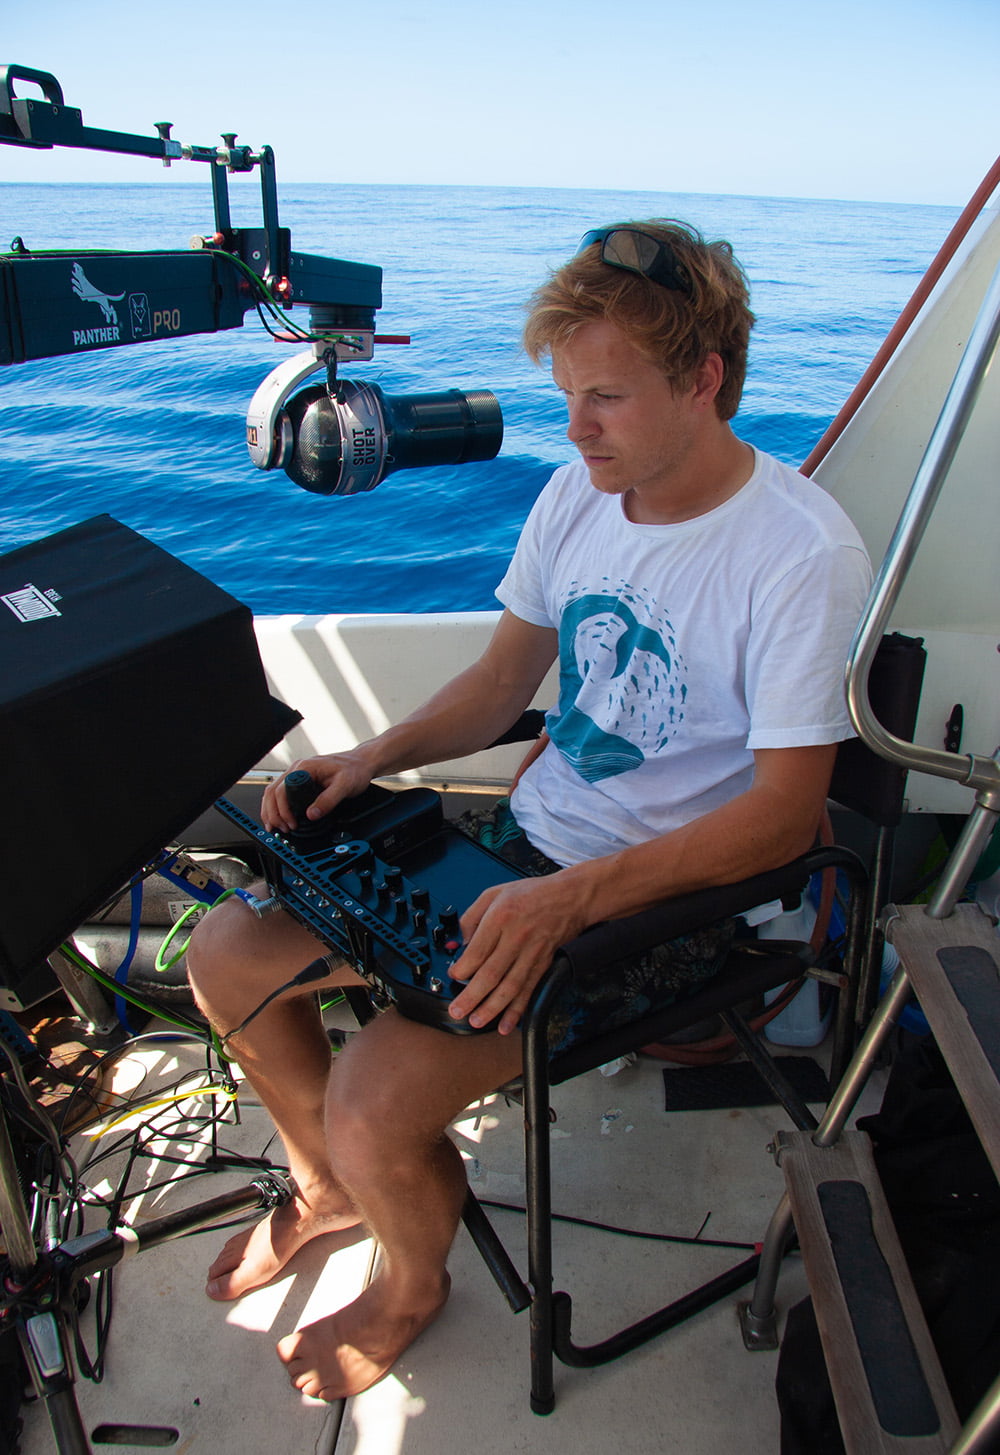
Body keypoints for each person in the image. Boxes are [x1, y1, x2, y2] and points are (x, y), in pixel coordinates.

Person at [186, 219, 872, 1402]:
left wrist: (570, 901)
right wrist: (377, 756)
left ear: (703, 381)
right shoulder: (576, 496)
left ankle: (412, 1282)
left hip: (660, 901)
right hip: (527, 848)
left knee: (373, 1095)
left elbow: (781, 818)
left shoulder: (798, 553)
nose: (573, 427)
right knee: (227, 954)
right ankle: (329, 1190)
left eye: (604, 397)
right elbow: (502, 686)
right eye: (566, 393)